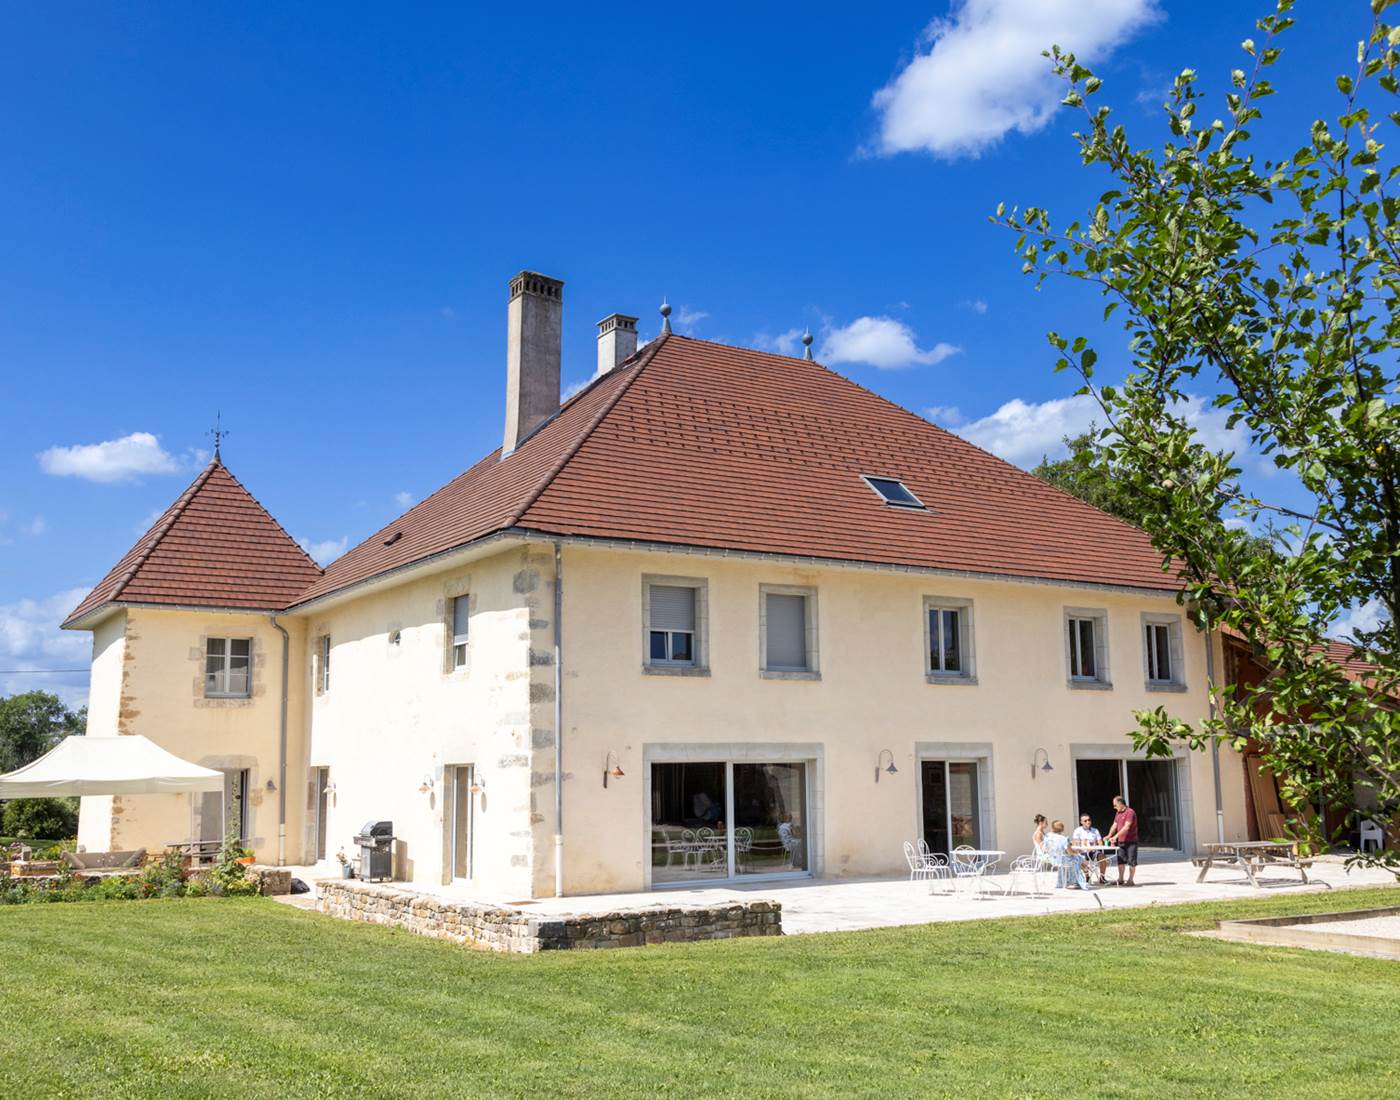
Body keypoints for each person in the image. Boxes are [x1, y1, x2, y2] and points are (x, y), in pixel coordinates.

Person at [1040, 819, 1089, 889]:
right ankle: (1078, 880)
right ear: (1062, 829)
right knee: (1078, 858)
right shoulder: (1063, 839)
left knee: (1078, 858)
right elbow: (1070, 852)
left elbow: (1044, 848)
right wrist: (1076, 853)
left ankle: (1082, 872)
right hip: (1062, 860)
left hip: (1053, 859)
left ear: (1052, 828)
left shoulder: (1048, 836)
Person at [1105, 794, 1139, 886]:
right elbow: (1114, 825)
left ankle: (1130, 880)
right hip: (1121, 841)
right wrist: (1109, 835)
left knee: (1131, 862)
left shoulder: (1130, 812)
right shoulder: (1118, 813)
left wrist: (1115, 836)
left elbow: (1126, 827)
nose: (1114, 807)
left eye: (1115, 805)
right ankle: (1120, 879)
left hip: (1131, 841)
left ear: (1120, 803)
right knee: (1120, 861)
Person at [1072, 813, 1107, 884]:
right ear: (1081, 822)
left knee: (1102, 856)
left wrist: (1094, 846)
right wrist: (1081, 847)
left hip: (1093, 851)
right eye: (1085, 821)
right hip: (1083, 851)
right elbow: (1074, 843)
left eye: (1089, 820)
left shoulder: (1095, 830)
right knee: (1080, 858)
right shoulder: (1078, 831)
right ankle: (1087, 876)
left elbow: (1100, 843)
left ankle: (1102, 877)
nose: (1088, 822)